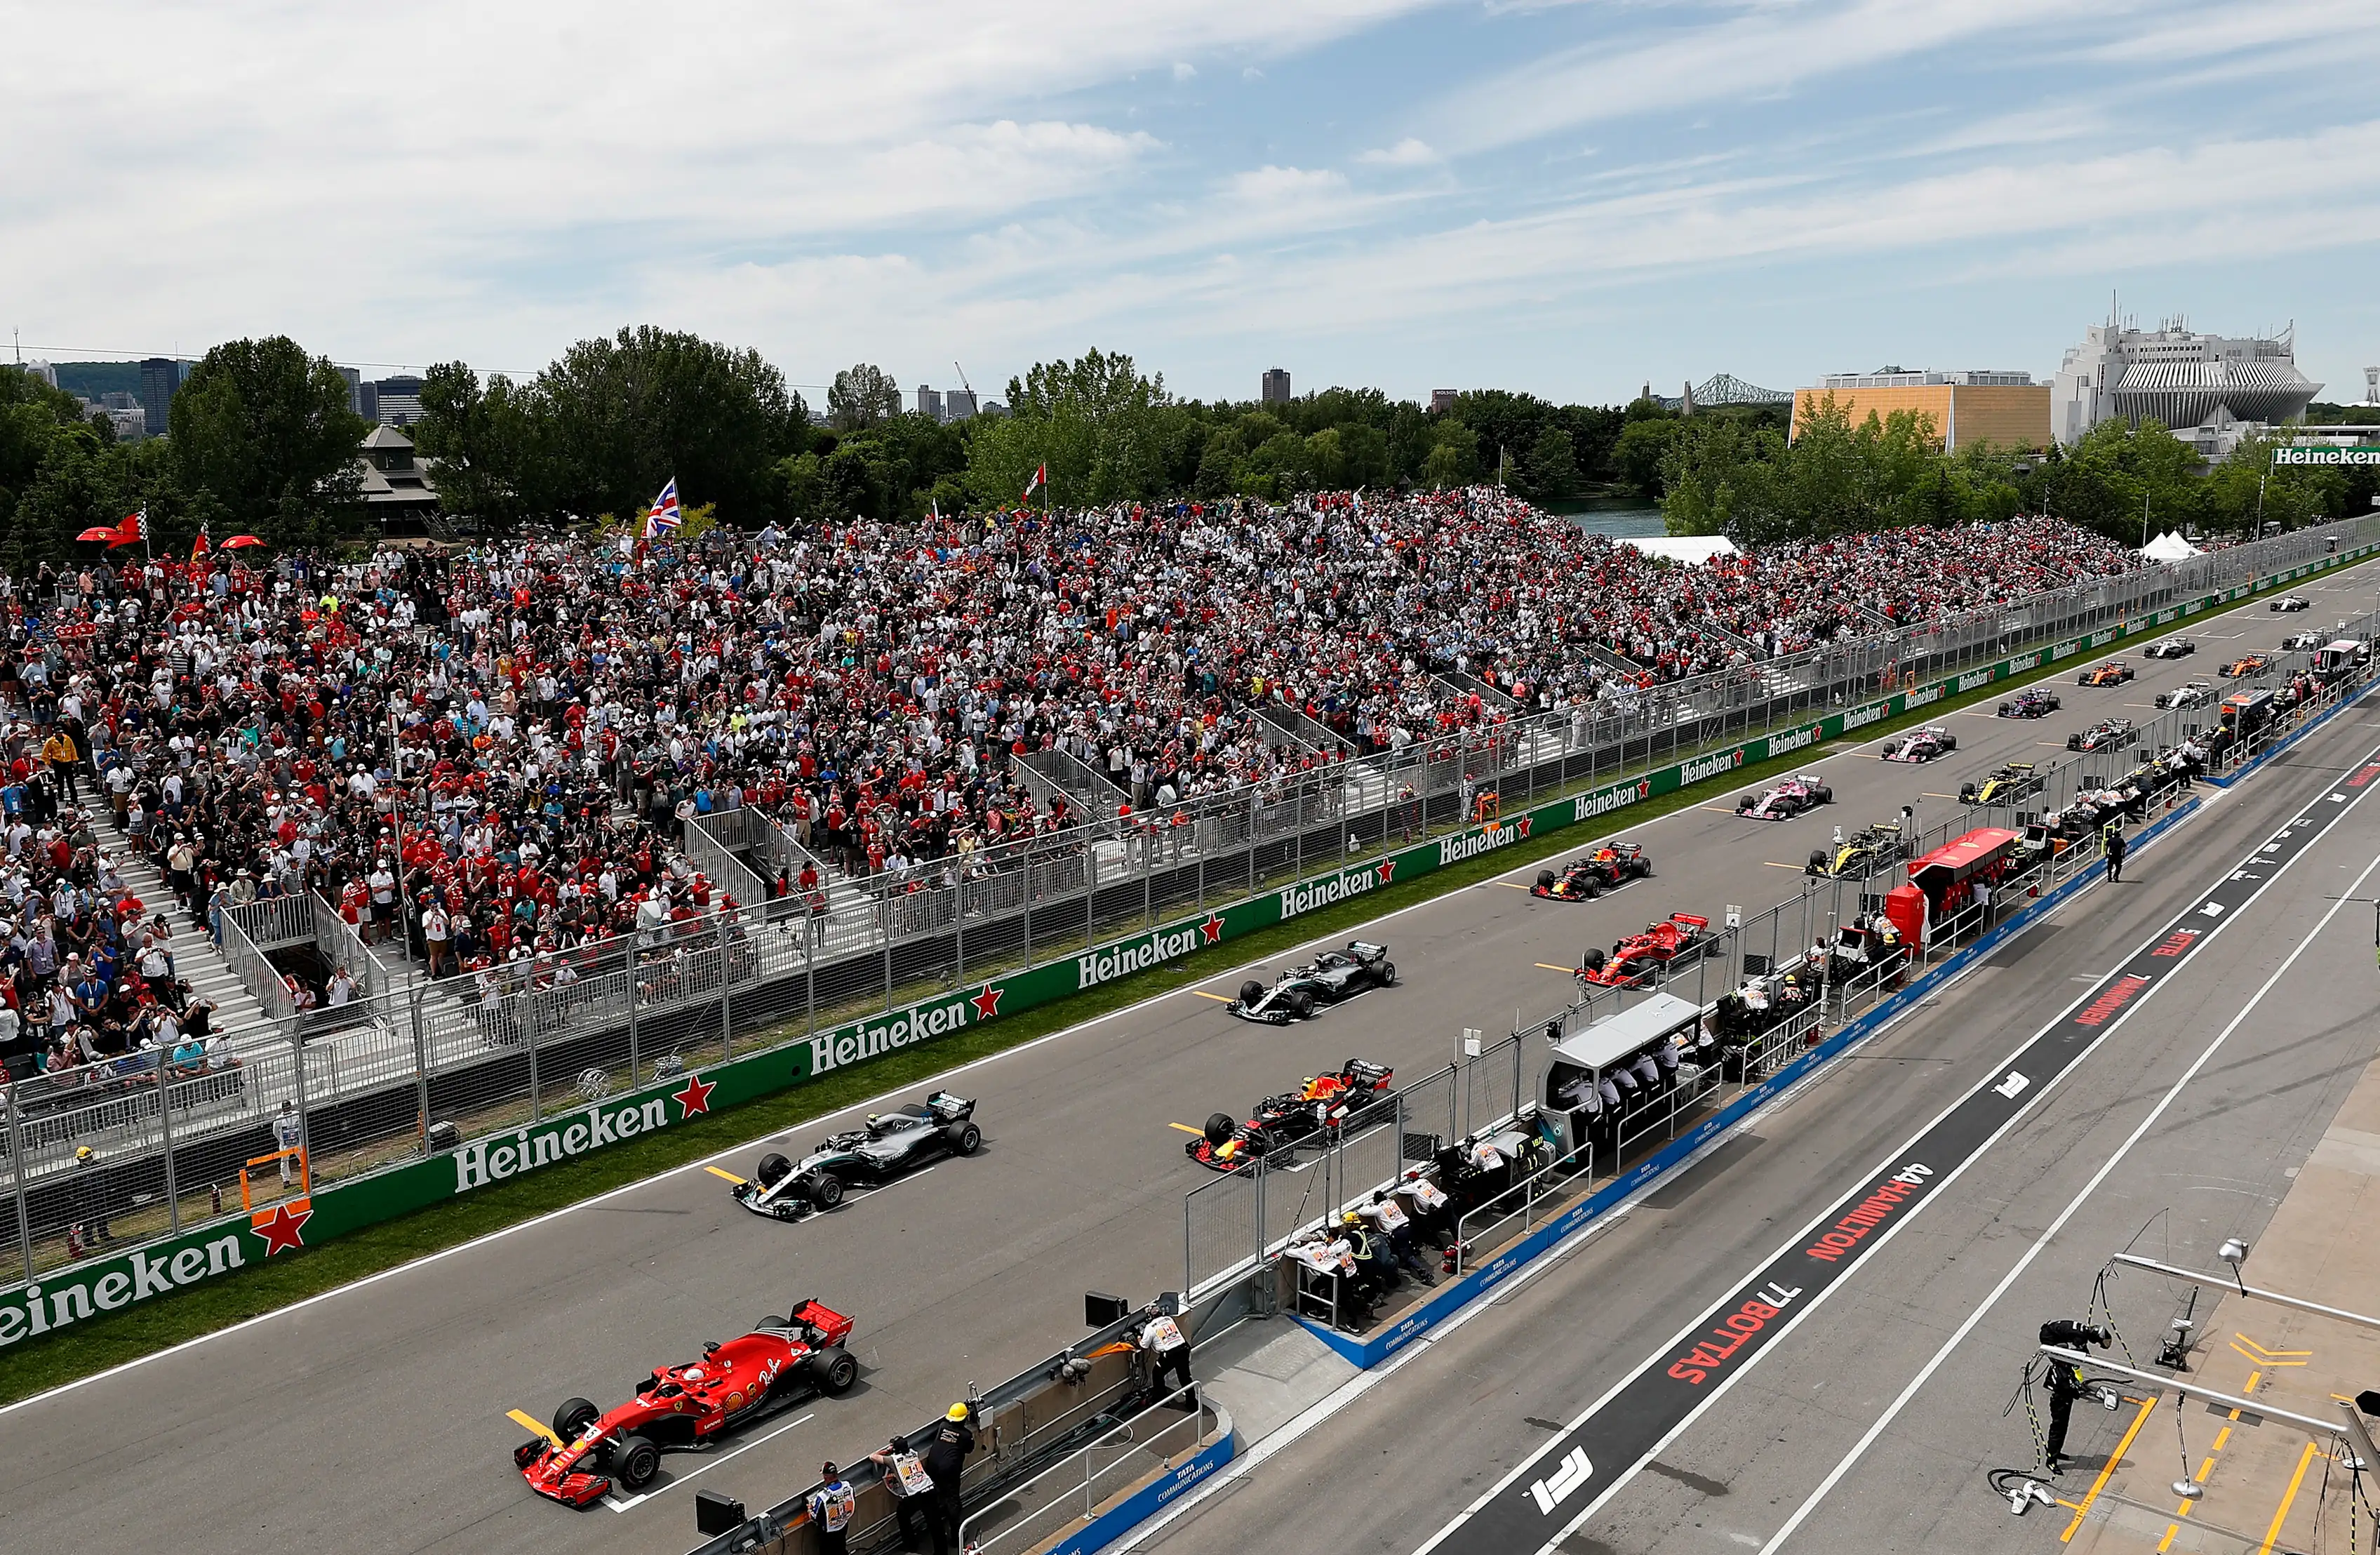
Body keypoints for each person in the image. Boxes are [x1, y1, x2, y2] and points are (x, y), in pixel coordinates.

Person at [918, 1402, 975, 1555]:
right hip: (949, 1471)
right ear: (964, 1419)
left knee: (937, 1496)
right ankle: (956, 1536)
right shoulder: (965, 1435)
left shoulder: (943, 1426)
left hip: (932, 1466)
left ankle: (939, 1522)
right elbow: (970, 1448)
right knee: (953, 1500)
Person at [867, 1435, 935, 1554]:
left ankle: (911, 1546)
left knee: (903, 1515)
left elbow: (873, 1456)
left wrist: (887, 1450)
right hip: (929, 1489)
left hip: (915, 1495)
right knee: (934, 1522)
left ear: (895, 1450)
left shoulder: (892, 1460)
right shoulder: (914, 1454)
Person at [1139, 1302, 1194, 1404]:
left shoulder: (1150, 1327)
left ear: (1150, 1317)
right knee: (1185, 1376)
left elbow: (1144, 1346)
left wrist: (1139, 1338)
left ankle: (1161, 1399)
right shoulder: (1169, 1319)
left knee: (1157, 1373)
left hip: (1170, 1354)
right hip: (1184, 1349)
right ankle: (1192, 1404)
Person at [806, 1461, 857, 1555]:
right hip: (843, 1526)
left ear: (825, 1477)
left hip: (828, 1533)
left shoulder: (823, 1497)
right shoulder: (848, 1487)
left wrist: (809, 1508)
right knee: (841, 1549)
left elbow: (814, 1517)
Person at [274, 1099, 305, 1186]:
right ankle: (286, 1180)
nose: (286, 1108)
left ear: (290, 1106)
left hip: (296, 1142)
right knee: (284, 1162)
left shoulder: (296, 1114)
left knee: (303, 1157)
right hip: (285, 1145)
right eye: (285, 1107)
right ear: (282, 1108)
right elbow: (275, 1132)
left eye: (288, 1106)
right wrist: (281, 1140)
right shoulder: (279, 1119)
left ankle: (310, 1172)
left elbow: (300, 1126)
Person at [2101, 820, 2127, 885]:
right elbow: (2123, 848)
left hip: (2111, 855)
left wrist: (2106, 854)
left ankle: (2109, 878)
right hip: (2118, 855)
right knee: (2119, 867)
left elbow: (2107, 847)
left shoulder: (2110, 840)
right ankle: (2116, 876)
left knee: (2109, 867)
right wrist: (2123, 855)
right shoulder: (2121, 840)